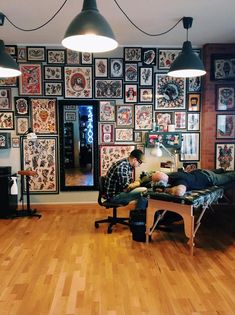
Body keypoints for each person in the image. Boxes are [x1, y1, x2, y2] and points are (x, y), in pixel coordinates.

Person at [152, 169, 235, 196]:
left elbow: (179, 192)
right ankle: (222, 170)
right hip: (201, 172)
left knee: (229, 176)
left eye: (156, 182)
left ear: (162, 182)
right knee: (224, 172)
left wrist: (165, 190)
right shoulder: (172, 174)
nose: (155, 184)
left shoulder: (179, 181)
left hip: (209, 178)